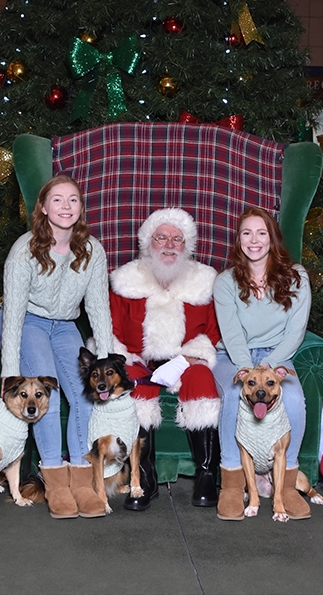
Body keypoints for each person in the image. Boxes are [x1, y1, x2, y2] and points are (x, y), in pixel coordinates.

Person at [0, 174, 113, 519]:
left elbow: (98, 309)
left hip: (64, 325)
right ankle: (56, 483)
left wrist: (105, 363)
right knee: (47, 393)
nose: (66, 206)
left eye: (73, 199)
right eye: (57, 199)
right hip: (27, 321)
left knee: (85, 392)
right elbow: (13, 315)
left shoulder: (92, 251)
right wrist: (9, 372)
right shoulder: (24, 250)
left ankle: (81, 481)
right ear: (44, 208)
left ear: (81, 207)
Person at [108, 208, 222, 511]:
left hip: (186, 361)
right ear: (148, 242)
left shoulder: (204, 281)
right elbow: (110, 331)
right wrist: (128, 360)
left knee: (202, 379)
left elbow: (212, 332)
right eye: (161, 237)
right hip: (139, 360)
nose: (169, 245)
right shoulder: (125, 280)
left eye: (177, 239)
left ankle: (207, 474)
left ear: (187, 245)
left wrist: (186, 359)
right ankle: (143, 477)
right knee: (133, 385)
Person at [211, 207, 313, 521]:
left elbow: (295, 333)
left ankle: (287, 485)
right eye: (247, 233)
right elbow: (232, 334)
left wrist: (267, 367)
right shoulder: (225, 281)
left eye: (261, 233)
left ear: (272, 238)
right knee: (235, 396)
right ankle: (232, 484)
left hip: (277, 356)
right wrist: (249, 373)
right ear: (238, 239)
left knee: (292, 397)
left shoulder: (297, 277)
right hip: (234, 356)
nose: (253, 240)